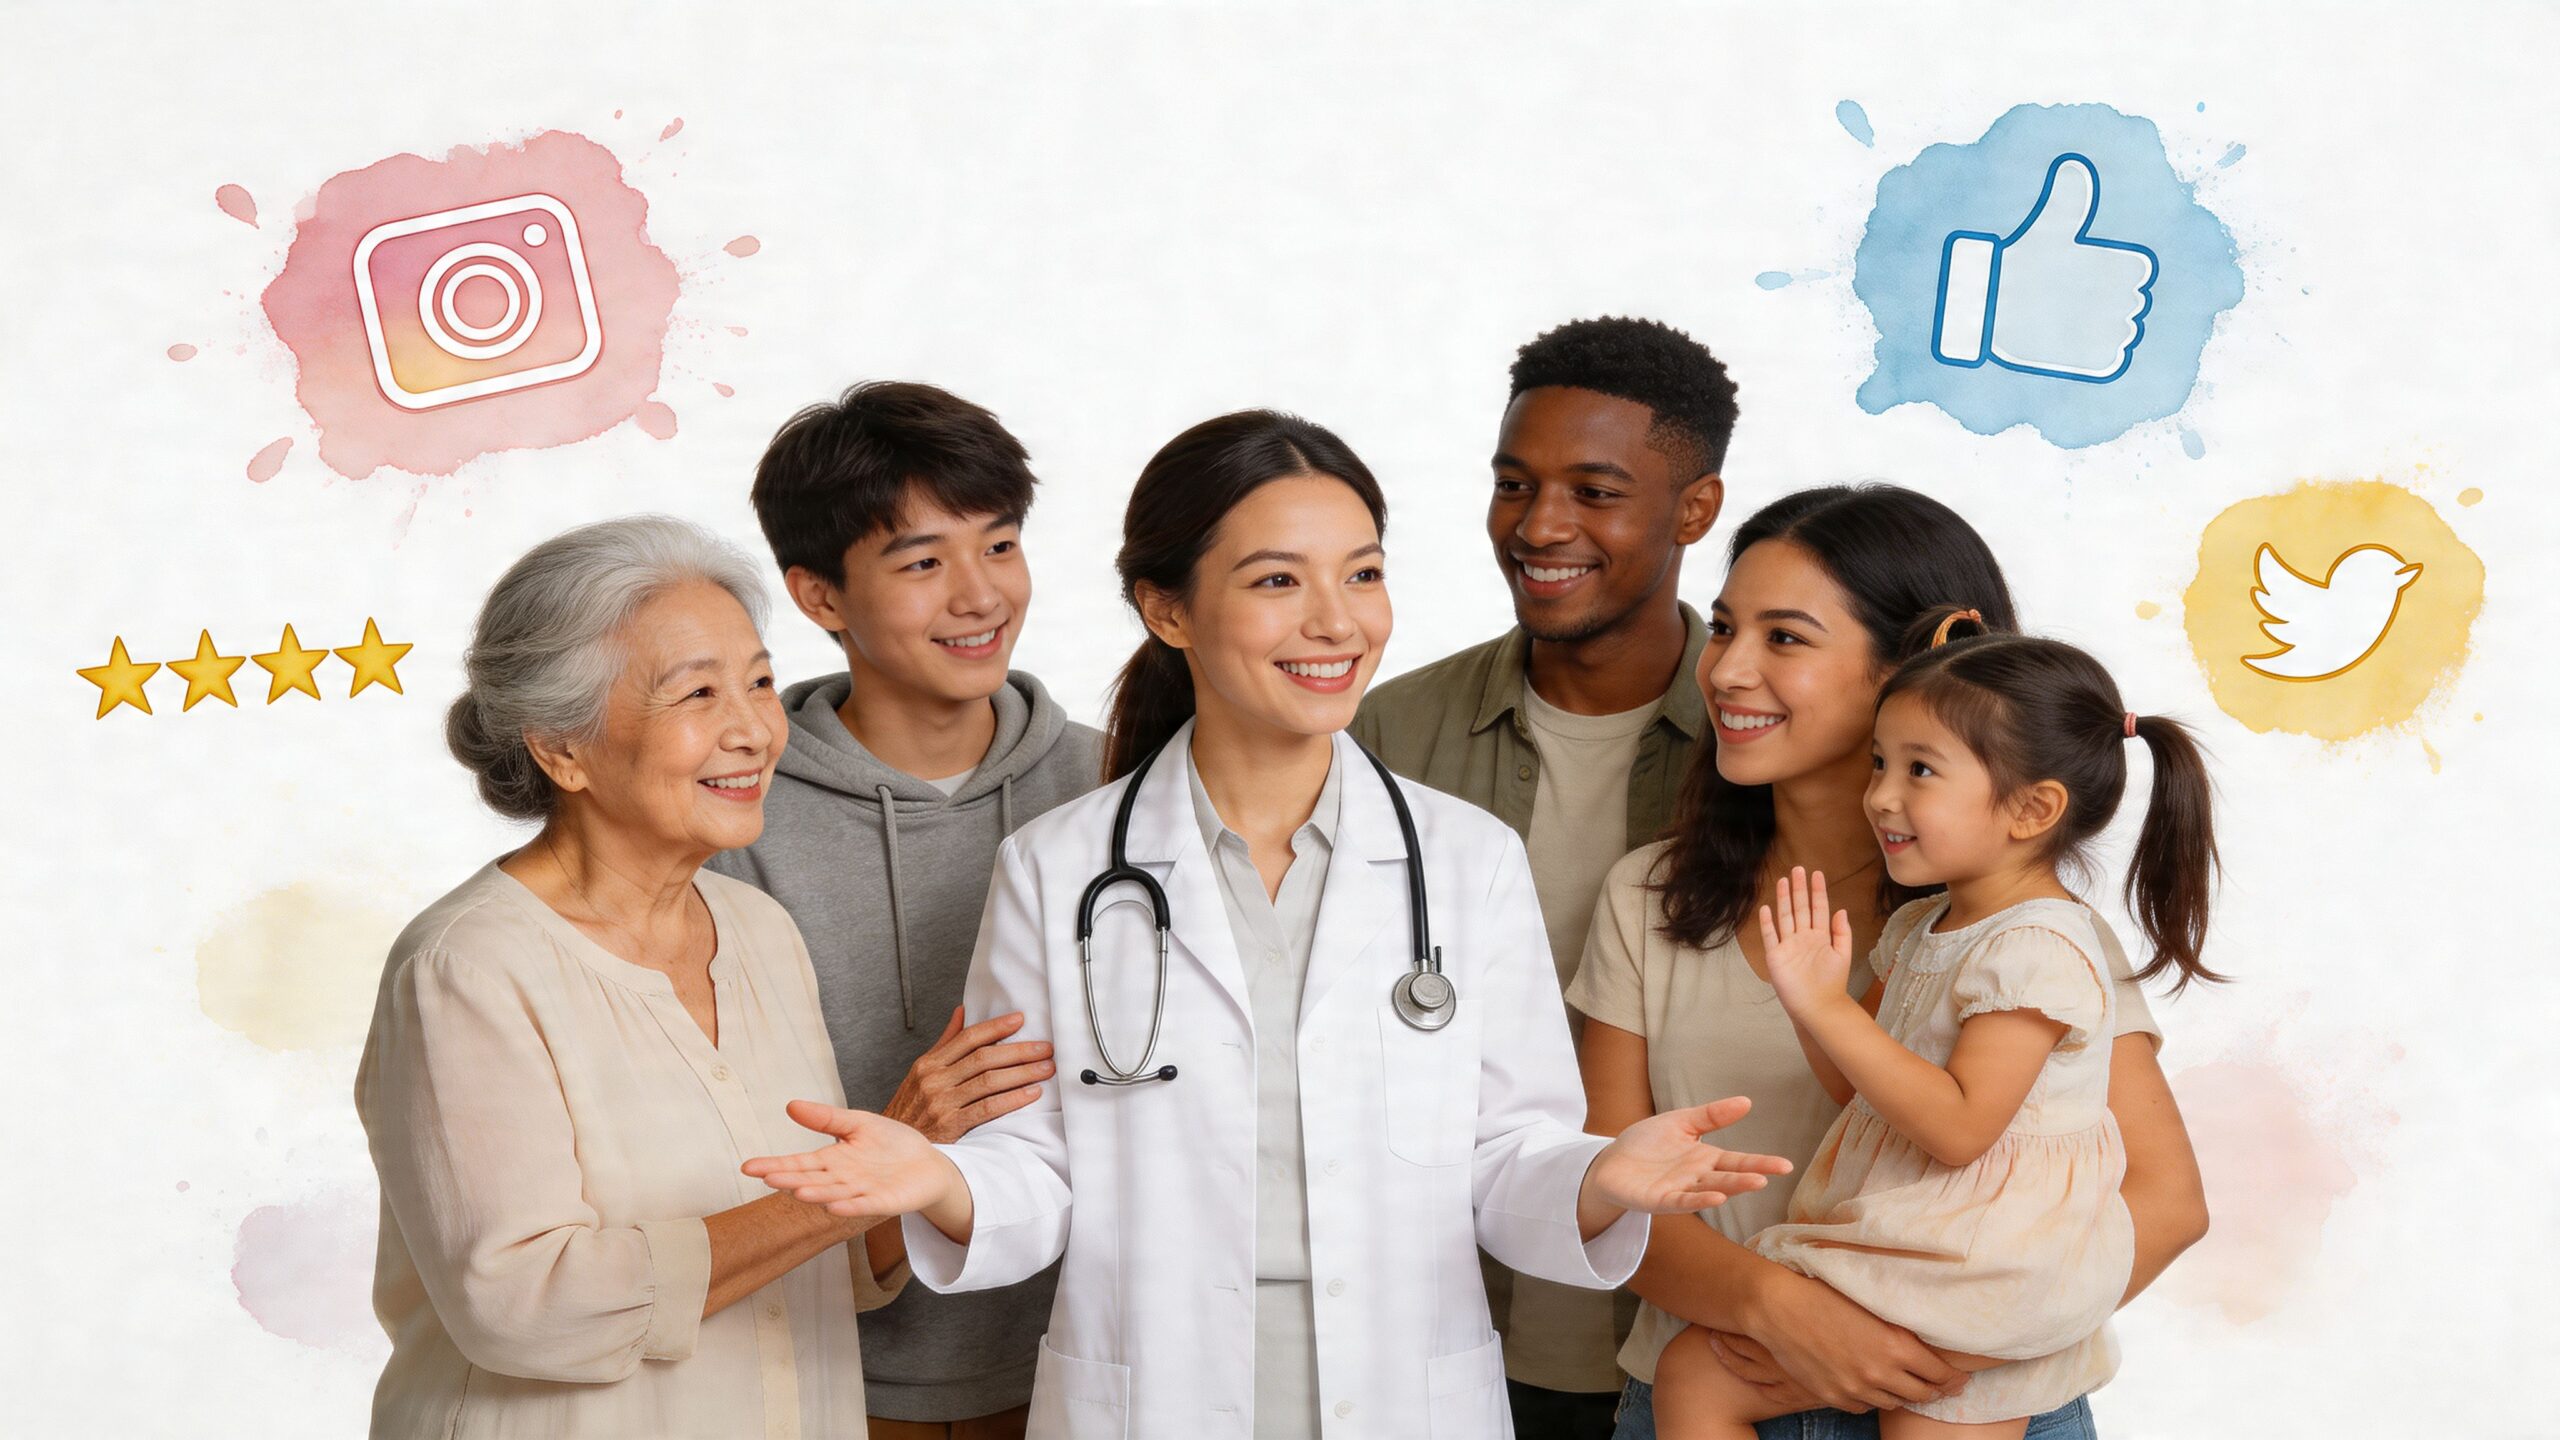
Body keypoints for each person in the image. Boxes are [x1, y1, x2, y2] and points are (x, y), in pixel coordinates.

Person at [742, 410, 1794, 1438]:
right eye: (1277, 581)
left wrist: (1595, 1178)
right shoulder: (1058, 867)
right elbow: (1038, 1167)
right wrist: (943, 1179)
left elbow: (1507, 1157)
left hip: (1402, 1398)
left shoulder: (1464, 862)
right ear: (1168, 611)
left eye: (1363, 573)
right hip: (1153, 1396)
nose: (1337, 622)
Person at [1567, 486, 2214, 1440]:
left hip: (1973, 1396)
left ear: (1915, 671)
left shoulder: (2024, 928)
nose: (1728, 670)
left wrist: (1949, 1354)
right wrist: (1781, 1314)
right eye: (1724, 628)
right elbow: (1601, 1194)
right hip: (1719, 1378)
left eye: (1785, 637)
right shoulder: (1649, 897)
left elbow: (2167, 1202)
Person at [356, 516, 909, 1439]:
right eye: (697, 694)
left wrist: (920, 1163)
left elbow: (821, 1270)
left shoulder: (758, 931)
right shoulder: (468, 967)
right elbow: (524, 1306)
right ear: (560, 747)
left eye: (762, 683)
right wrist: (843, 1192)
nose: (753, 731)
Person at [1350, 315, 1737, 1436]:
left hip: (1684, 1338)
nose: (1539, 526)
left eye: (1594, 491)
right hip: (1441, 1314)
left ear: (1695, 509)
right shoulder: (1392, 728)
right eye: (1513, 484)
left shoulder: (1760, 739)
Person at [708, 381, 1104, 1440]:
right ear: (819, 596)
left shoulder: (1121, 789)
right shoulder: (731, 826)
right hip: (834, 1385)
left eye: (1001, 546)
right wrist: (903, 1130)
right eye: (923, 562)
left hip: (1100, 1374)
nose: (979, 596)